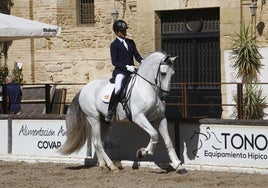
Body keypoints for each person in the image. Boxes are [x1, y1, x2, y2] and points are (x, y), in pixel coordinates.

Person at [106, 19, 143, 122]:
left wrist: (142, 61)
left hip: (132, 71)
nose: (125, 33)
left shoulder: (131, 42)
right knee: (118, 88)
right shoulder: (114, 45)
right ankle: (110, 111)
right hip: (121, 71)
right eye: (122, 31)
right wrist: (126, 67)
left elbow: (137, 55)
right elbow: (115, 62)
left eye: (125, 31)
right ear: (117, 32)